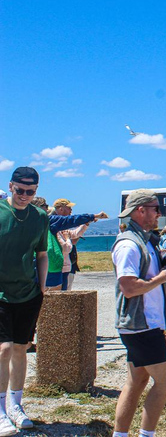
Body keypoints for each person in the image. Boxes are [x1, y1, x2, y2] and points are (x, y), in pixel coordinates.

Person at [112, 189, 166, 437]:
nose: (159, 214)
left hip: (142, 324)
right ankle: (146, 434)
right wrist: (159, 279)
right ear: (141, 210)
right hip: (140, 325)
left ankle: (120, 434)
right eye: (156, 209)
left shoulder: (147, 239)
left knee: (136, 381)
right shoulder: (129, 244)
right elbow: (128, 288)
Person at [0, 167, 49, 433]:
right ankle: (0, 411)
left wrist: (41, 288)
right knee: (3, 348)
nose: (24, 196)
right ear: (10, 186)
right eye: (20, 190)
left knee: (21, 348)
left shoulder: (40, 217)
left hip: (28, 293)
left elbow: (41, 254)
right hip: (0, 293)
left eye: (30, 192)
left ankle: (16, 404)